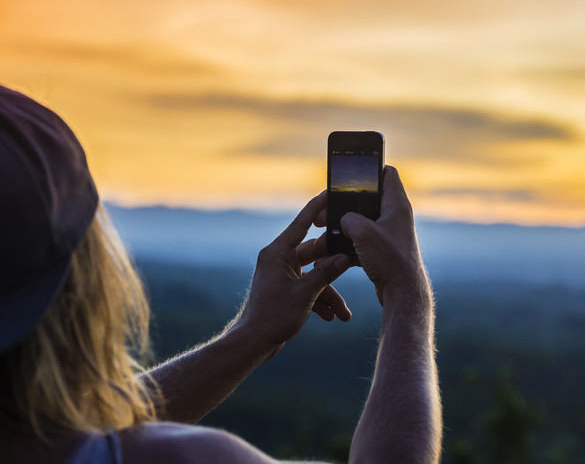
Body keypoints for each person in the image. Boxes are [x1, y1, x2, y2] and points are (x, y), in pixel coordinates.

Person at [0, 85, 442, 463]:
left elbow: (87, 422)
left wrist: (253, 334)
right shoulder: (183, 459)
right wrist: (408, 294)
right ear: (78, 279)